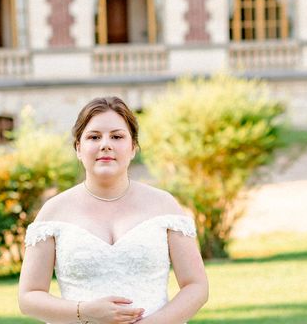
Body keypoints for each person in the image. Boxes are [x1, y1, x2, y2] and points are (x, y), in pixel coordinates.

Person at [18, 96, 208, 324]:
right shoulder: (54, 211)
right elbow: (28, 297)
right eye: (94, 137)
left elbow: (196, 286)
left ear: (133, 147)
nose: (105, 144)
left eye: (117, 136)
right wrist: (85, 311)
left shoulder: (164, 205)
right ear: (79, 148)